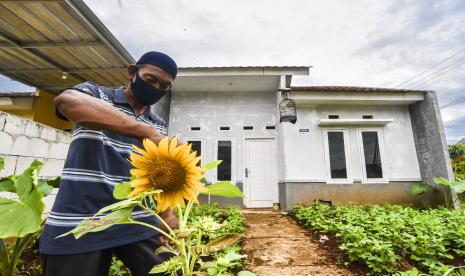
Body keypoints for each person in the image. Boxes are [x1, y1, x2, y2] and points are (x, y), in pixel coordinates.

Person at [39, 51, 180, 276]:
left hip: (137, 220)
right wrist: (144, 132)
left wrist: (167, 213)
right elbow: (67, 102)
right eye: (150, 79)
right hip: (81, 221)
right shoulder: (96, 95)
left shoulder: (158, 123)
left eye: (164, 86)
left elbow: (157, 174)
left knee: (172, 271)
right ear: (132, 72)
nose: (156, 88)